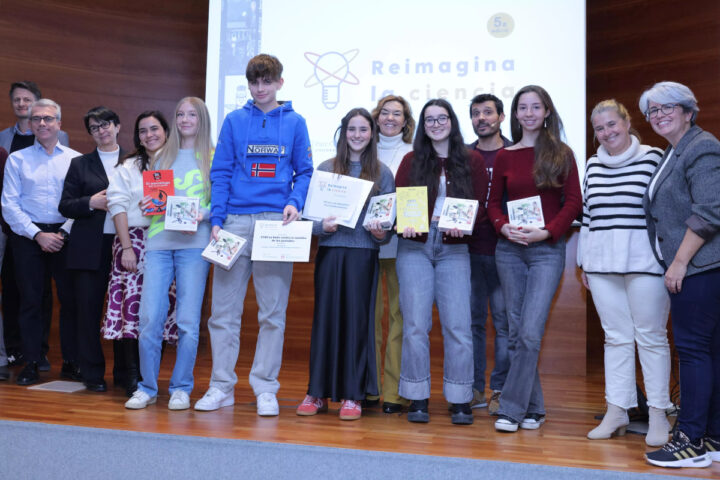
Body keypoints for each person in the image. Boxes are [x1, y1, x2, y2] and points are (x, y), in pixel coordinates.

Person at [195, 54, 313, 416]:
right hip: (233, 223)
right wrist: (217, 218)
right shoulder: (234, 120)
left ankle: (265, 388)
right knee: (222, 313)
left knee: (272, 314)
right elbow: (222, 171)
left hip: (276, 225)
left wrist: (294, 201)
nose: (260, 89)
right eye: (254, 82)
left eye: (266, 81)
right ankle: (221, 387)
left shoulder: (295, 122)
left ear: (279, 82)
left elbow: (305, 171)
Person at [487, 85, 581, 432]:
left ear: (546, 112)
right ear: (515, 114)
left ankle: (511, 409)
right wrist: (503, 227)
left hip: (545, 250)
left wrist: (548, 232)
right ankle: (533, 409)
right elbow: (493, 204)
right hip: (509, 250)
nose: (528, 113)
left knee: (528, 332)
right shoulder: (505, 155)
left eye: (535, 107)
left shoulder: (562, 153)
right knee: (515, 333)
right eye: (522, 107)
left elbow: (573, 202)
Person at [578, 99, 672, 446]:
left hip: (645, 263)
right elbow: (588, 217)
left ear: (627, 123)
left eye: (611, 125)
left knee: (651, 337)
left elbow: (665, 211)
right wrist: (584, 262)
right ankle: (616, 411)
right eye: (599, 129)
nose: (606, 133)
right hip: (601, 265)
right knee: (615, 338)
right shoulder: (591, 164)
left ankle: (659, 414)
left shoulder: (652, 157)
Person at [640, 81, 720, 469]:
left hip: (701, 268)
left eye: (668, 107)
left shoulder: (702, 146)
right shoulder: (673, 152)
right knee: (710, 351)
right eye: (653, 111)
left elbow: (710, 211)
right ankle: (713, 436)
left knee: (692, 352)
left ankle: (689, 441)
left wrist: (680, 262)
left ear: (689, 110)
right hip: (700, 268)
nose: (660, 115)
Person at [394, 98, 489, 425]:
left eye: (442, 118)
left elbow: (481, 205)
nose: (436, 124)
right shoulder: (411, 160)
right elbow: (400, 203)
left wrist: (465, 225)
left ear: (452, 121)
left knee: (459, 326)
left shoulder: (471, 160)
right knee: (416, 325)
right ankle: (417, 396)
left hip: (455, 247)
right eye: (429, 119)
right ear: (423, 125)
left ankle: (460, 398)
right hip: (415, 246)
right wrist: (400, 223)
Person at [296, 108, 394, 420]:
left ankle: (353, 395)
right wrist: (319, 227)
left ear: (372, 134)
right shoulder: (326, 168)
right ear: (343, 132)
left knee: (358, 323)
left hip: (363, 255)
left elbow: (387, 224)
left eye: (363, 130)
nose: (357, 135)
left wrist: (381, 232)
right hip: (330, 252)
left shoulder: (382, 172)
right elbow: (309, 219)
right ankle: (317, 392)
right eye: (352, 129)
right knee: (325, 321)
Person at [124, 97, 213, 410]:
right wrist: (149, 206)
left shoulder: (213, 157)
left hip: (195, 245)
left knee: (188, 321)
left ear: (202, 118)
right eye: (180, 114)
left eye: (192, 114)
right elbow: (154, 202)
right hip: (160, 243)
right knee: (149, 318)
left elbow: (223, 202)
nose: (185, 119)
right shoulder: (162, 156)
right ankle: (147, 387)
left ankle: (181, 387)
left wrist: (204, 214)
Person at [1, 98, 79, 386]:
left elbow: (81, 203)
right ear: (30, 124)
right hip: (27, 237)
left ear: (59, 123)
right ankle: (32, 362)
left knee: (70, 302)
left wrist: (62, 233)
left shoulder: (75, 159)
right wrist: (37, 234)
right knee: (31, 302)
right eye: (37, 119)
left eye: (48, 118)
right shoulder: (17, 159)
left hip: (65, 236)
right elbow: (9, 205)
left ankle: (72, 363)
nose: (42, 123)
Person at [105, 111, 178, 397]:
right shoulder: (128, 166)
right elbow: (117, 204)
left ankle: (152, 377)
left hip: (168, 240)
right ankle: (133, 377)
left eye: (155, 129)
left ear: (166, 131)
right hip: (133, 240)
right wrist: (127, 247)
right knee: (130, 311)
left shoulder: (179, 162)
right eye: (143, 131)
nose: (150, 135)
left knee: (157, 312)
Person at [59, 107, 125, 392]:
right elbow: (65, 205)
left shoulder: (136, 161)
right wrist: (90, 203)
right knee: (88, 311)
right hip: (89, 247)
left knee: (126, 311)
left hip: (127, 244)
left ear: (118, 126)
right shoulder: (80, 164)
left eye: (106, 124)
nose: (102, 130)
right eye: (95, 127)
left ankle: (126, 374)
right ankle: (92, 373)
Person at [366, 95, 414, 414]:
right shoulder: (361, 149)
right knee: (368, 317)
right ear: (377, 116)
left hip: (402, 245)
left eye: (397, 114)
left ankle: (395, 392)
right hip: (365, 244)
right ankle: (369, 388)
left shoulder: (413, 153)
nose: (390, 118)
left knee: (400, 317)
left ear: (406, 120)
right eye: (386, 112)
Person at [467, 94, 513, 413]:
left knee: (504, 323)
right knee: (471, 323)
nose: (482, 118)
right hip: (466, 251)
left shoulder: (516, 153)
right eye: (475, 114)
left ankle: (500, 389)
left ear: (501, 116)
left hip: (506, 251)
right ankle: (472, 389)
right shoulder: (462, 156)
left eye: (488, 112)